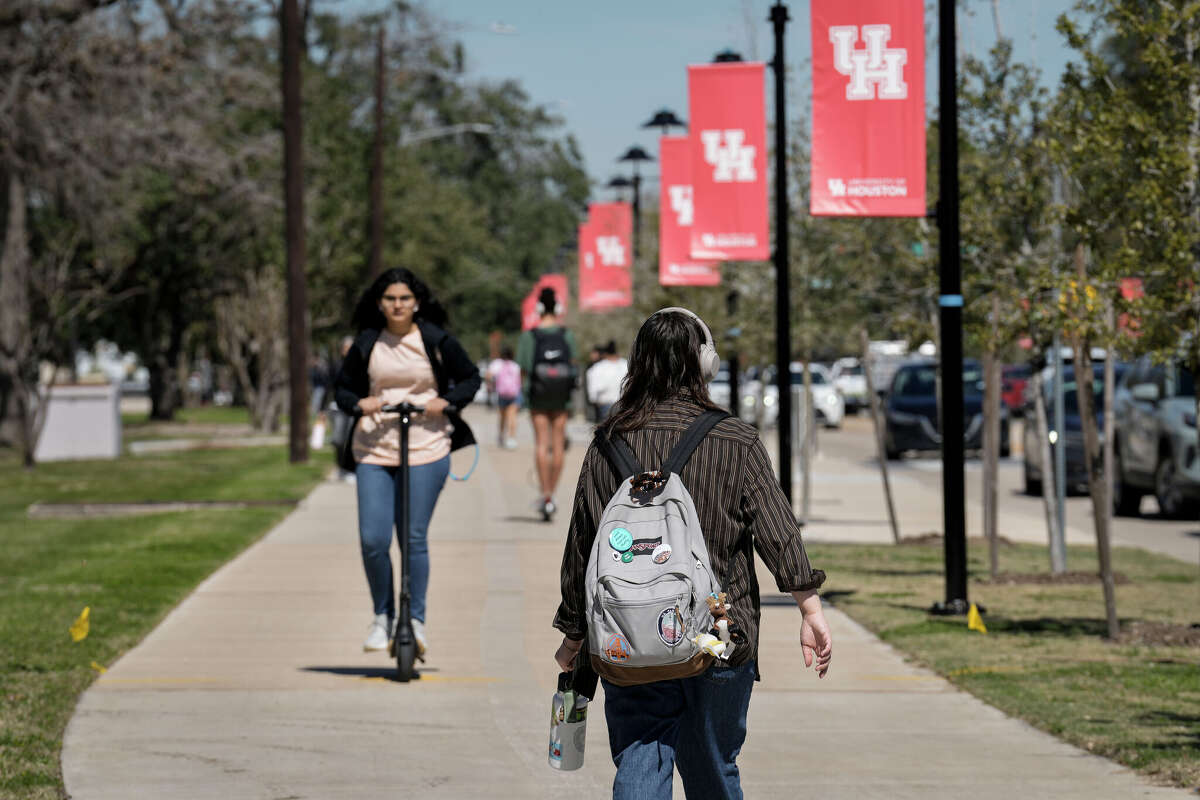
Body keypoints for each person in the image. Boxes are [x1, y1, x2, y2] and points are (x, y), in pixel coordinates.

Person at [552, 308, 832, 800]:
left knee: (641, 751)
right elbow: (777, 530)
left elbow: (583, 546)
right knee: (711, 765)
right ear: (706, 364)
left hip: (628, 636)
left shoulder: (608, 442)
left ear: (636, 364)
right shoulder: (735, 439)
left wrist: (575, 635)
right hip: (718, 637)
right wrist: (809, 607)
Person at [334, 268, 480, 658]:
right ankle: (382, 615)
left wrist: (445, 403)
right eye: (389, 299)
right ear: (379, 304)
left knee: (413, 537)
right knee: (373, 539)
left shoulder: (435, 340)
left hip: (427, 445)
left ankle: (415, 619)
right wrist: (359, 403)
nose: (397, 305)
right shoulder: (368, 343)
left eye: (404, 298)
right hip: (375, 446)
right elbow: (343, 389)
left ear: (416, 301)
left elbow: (470, 378)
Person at [516, 287, 577, 521]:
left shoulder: (529, 336)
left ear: (539, 307)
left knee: (541, 443)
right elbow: (572, 364)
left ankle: (544, 494)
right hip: (561, 396)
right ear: (558, 308)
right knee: (558, 445)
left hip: (538, 395)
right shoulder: (566, 335)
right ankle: (553, 492)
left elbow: (523, 368)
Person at [486, 346, 521, 449]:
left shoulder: (497, 364)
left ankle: (501, 436)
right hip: (514, 394)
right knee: (512, 417)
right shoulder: (515, 365)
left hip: (501, 394)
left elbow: (488, 375)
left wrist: (492, 384)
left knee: (502, 417)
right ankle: (511, 439)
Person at [585, 339, 628, 422]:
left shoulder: (598, 367)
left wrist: (593, 400)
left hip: (605, 405)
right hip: (623, 404)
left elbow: (593, 389)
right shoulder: (626, 365)